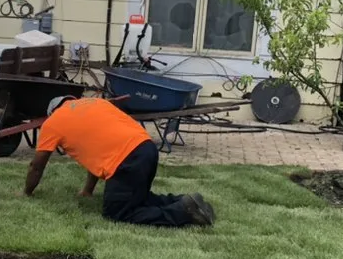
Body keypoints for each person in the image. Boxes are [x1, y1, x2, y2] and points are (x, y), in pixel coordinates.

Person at [23, 95, 216, 227]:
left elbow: (36, 166)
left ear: (52, 111)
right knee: (137, 199)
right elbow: (99, 149)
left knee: (117, 213)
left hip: (126, 160)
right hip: (147, 148)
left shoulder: (53, 123)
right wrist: (87, 190)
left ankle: (183, 212)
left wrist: (27, 192)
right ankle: (183, 200)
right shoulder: (96, 102)